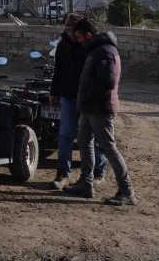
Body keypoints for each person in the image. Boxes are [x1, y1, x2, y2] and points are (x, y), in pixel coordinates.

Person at [63, 18, 137, 206]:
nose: (78, 40)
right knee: (84, 141)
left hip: (100, 108)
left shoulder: (104, 51)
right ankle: (86, 183)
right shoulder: (96, 50)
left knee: (108, 147)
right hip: (90, 108)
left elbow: (108, 82)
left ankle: (126, 190)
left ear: (88, 34)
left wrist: (87, 96)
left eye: (80, 37)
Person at [47, 13, 108, 189]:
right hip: (68, 95)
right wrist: (54, 92)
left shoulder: (90, 46)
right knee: (65, 134)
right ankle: (63, 173)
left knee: (93, 136)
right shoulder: (62, 45)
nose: (70, 34)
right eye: (67, 30)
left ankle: (98, 172)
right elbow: (58, 71)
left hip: (88, 97)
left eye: (72, 30)